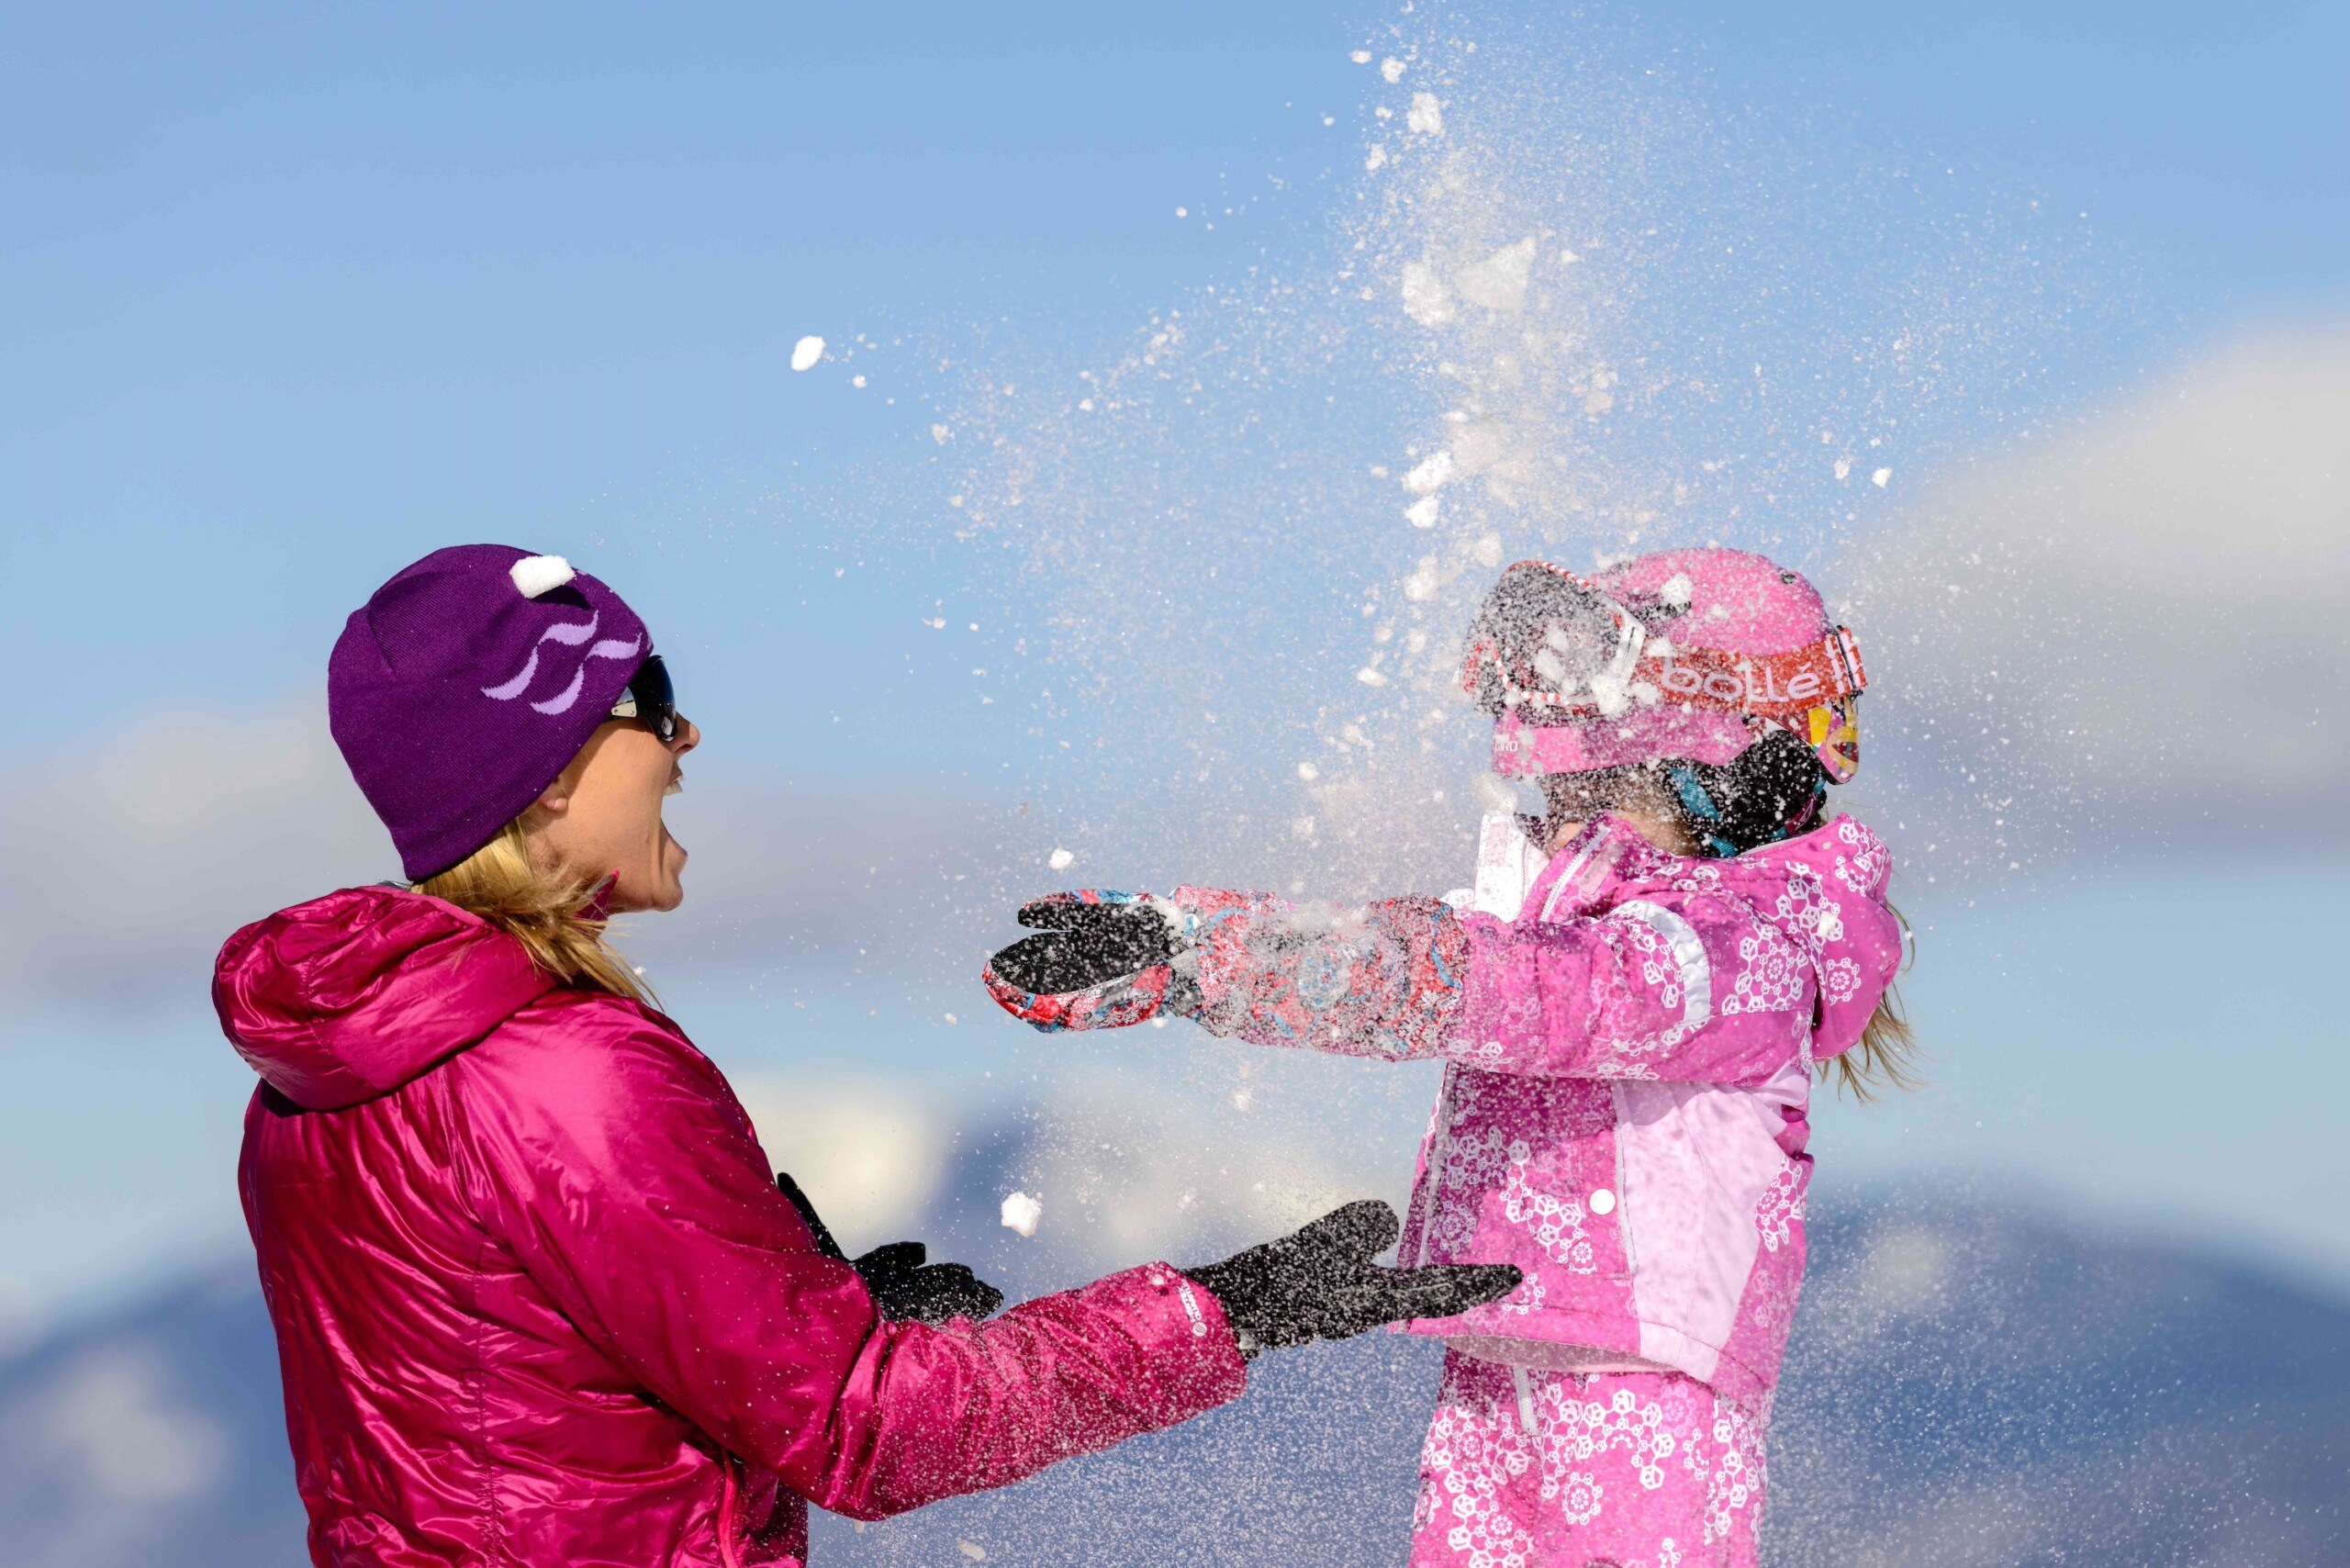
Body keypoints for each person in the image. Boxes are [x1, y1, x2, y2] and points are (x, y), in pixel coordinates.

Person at [214, 543, 1519, 1568]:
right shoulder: (568, 1073)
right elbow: (872, 1432)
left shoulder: (322, 1079)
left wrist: (789, 1320)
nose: (685, 742)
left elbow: (509, 1420)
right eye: (649, 699)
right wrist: (1227, 1311)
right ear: (548, 767)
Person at [983, 548, 1917, 1567]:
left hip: (1648, 1384)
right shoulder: (1563, 917)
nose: (1554, 822)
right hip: (1504, 1340)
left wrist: (1207, 961)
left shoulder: (1742, 944)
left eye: (1594, 789)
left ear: (1720, 785)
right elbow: (1382, 957)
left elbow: (1533, 988)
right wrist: (1193, 952)